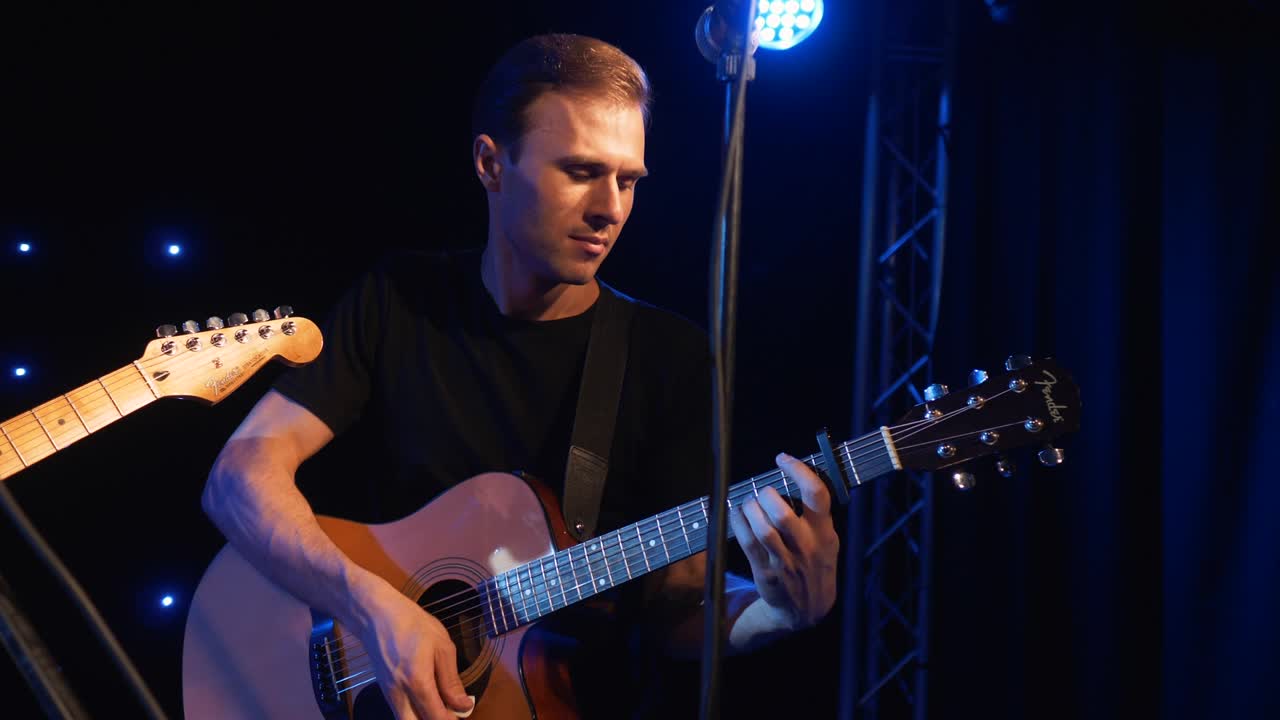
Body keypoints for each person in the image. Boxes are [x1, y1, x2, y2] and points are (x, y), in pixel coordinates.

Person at [200, 32, 839, 720]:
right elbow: (238, 478)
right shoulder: (400, 298)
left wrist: (779, 613)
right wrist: (369, 604)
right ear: (490, 164)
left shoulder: (668, 356)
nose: (611, 208)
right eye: (581, 171)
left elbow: (677, 610)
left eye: (628, 181)